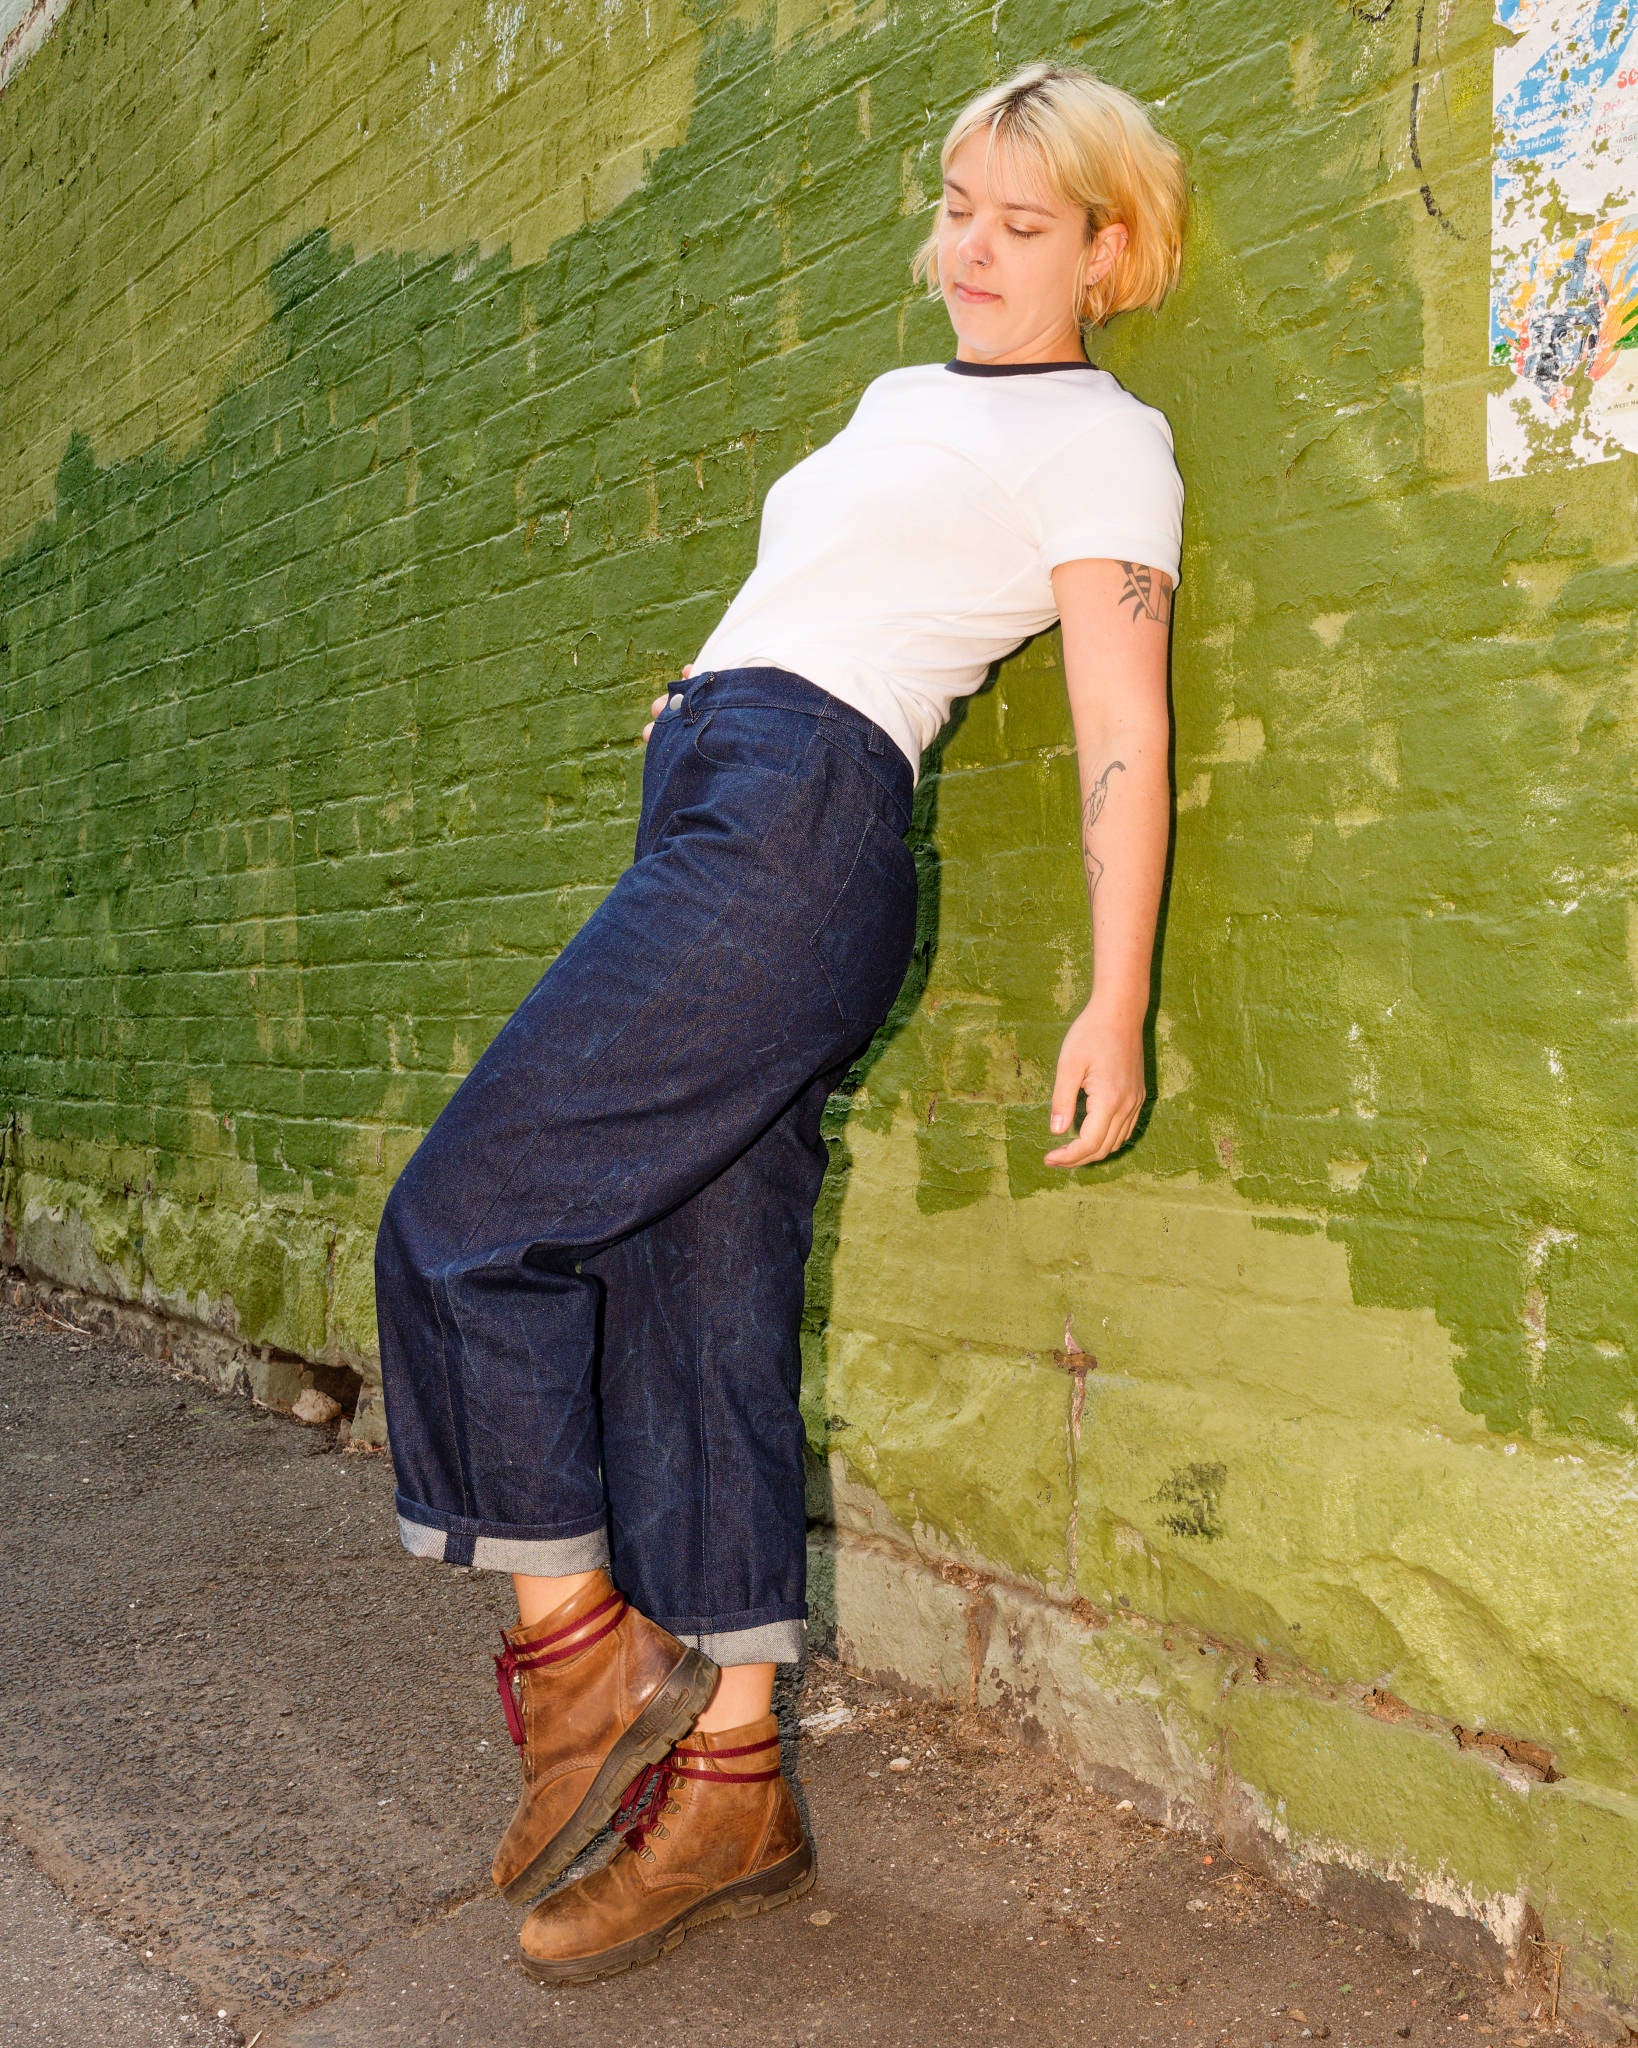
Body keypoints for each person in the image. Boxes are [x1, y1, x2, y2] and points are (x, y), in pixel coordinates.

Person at [372, 57, 1189, 1986]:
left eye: (1022, 221)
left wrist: (1116, 997)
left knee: (463, 1215)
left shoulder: (1104, 440)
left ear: (1106, 246)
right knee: (697, 1310)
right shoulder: (903, 398)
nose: (970, 248)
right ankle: (731, 1778)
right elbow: (826, 588)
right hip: (730, 799)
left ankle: (581, 1639)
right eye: (958, 206)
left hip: (800, 838)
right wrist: (703, 705)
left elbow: (1120, 733)